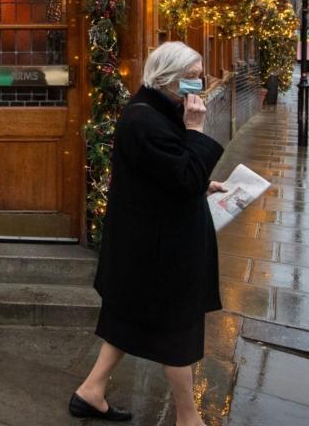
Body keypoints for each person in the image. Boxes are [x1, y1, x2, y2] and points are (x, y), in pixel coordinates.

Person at [70, 41, 227, 425]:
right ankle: (189, 419)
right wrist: (196, 130)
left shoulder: (160, 112)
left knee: (130, 321)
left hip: (151, 242)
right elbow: (183, 173)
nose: (199, 83)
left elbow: (167, 176)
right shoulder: (145, 120)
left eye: (200, 74)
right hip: (160, 250)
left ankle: (91, 391)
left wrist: (203, 185)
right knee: (178, 333)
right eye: (191, 77)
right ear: (167, 79)